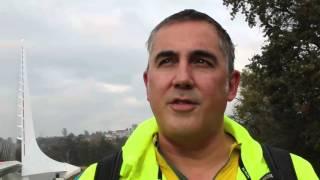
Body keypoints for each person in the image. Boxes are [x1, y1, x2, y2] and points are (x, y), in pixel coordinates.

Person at [80, 9, 318, 180]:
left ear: (231, 85)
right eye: (167, 61)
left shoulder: (294, 173)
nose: (183, 78)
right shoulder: (97, 177)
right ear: (148, 84)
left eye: (201, 61)